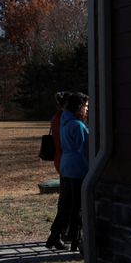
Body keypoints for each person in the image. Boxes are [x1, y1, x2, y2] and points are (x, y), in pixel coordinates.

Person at [46, 92, 89, 252]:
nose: (87, 110)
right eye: (85, 107)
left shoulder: (62, 121)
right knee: (77, 205)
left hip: (65, 165)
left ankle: (58, 235)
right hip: (77, 167)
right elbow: (85, 149)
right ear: (78, 107)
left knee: (66, 203)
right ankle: (76, 238)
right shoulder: (77, 125)